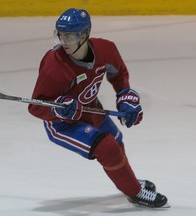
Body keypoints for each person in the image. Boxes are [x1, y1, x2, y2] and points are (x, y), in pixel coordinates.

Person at [28, 8, 168, 208]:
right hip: (62, 123)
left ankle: (130, 183)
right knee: (107, 147)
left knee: (117, 141)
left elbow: (119, 75)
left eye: (69, 36)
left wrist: (125, 99)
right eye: (60, 35)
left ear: (84, 35)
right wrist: (58, 109)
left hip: (92, 109)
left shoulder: (106, 49)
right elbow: (36, 106)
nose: (63, 41)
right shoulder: (54, 64)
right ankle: (135, 192)